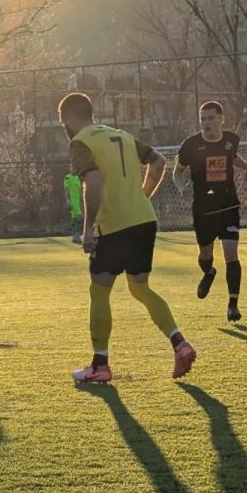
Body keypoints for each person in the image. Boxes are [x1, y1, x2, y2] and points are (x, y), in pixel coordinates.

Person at [59, 92, 196, 384]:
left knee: (99, 291)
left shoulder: (80, 141)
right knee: (140, 288)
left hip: (113, 227)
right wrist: (140, 198)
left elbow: (92, 181)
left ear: (70, 118)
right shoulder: (120, 135)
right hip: (144, 220)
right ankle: (179, 343)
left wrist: (87, 228)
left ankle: (99, 365)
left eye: (63, 122)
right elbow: (158, 162)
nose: (65, 129)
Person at [172, 101, 247, 323]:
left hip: (228, 205)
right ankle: (209, 273)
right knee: (205, 255)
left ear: (221, 119)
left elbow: (233, 158)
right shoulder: (191, 145)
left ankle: (233, 305)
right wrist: (181, 188)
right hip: (202, 208)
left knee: (231, 255)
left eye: (210, 118)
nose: (206, 123)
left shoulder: (231, 140)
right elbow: (177, 172)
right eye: (202, 118)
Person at [63, 172, 84, 244]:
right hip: (73, 201)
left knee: (75, 219)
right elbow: (66, 189)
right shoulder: (67, 177)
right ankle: (76, 236)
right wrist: (67, 200)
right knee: (78, 218)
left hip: (78, 201)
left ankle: (75, 237)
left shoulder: (78, 177)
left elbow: (80, 190)